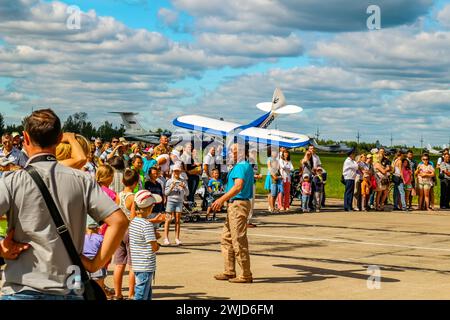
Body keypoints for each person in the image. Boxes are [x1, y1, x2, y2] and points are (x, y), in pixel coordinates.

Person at [0, 108, 128, 300]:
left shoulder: (11, 181)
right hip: (70, 287)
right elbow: (119, 221)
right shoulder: (82, 179)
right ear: (60, 138)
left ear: (25, 138)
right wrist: (95, 264)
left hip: (23, 285)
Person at [212, 142, 254, 284]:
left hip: (238, 205)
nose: (230, 153)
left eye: (233, 151)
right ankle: (229, 270)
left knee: (238, 240)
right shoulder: (243, 165)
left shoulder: (241, 166)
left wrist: (220, 200)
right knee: (227, 237)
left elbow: (238, 186)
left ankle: (245, 274)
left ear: (241, 152)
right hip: (236, 205)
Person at [112, 168, 140, 300]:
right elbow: (133, 217)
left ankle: (117, 293)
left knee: (118, 264)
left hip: (119, 230)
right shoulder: (133, 198)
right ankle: (131, 293)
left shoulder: (118, 195)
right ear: (135, 183)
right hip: (130, 230)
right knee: (132, 265)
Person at [129, 190, 162, 300]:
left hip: (137, 264)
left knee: (146, 294)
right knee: (141, 294)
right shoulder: (146, 224)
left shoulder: (133, 222)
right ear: (150, 207)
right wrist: (157, 243)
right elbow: (154, 246)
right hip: (146, 265)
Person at [163, 162, 189, 246]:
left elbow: (187, 193)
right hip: (170, 201)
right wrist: (171, 187)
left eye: (178, 171)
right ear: (172, 172)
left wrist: (184, 187)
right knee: (168, 219)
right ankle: (166, 238)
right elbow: (166, 193)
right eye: (175, 171)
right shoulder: (169, 181)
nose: (176, 173)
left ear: (180, 171)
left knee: (177, 220)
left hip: (179, 202)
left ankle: (177, 238)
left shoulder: (183, 181)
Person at [83, 223, 110, 297]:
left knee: (85, 287)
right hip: (96, 262)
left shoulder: (83, 238)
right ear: (97, 229)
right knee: (99, 288)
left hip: (84, 262)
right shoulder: (101, 238)